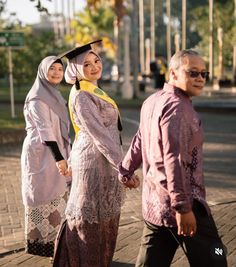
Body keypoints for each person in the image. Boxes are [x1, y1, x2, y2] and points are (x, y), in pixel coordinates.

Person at [118, 50, 228, 267]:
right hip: (186, 204)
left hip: (155, 204)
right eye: (193, 72)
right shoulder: (178, 107)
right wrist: (182, 207)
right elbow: (175, 159)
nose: (200, 78)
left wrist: (125, 170)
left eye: (204, 74)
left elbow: (140, 140)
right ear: (173, 73)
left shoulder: (153, 100)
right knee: (216, 256)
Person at [53, 40, 138, 267]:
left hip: (102, 160)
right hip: (94, 162)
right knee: (89, 221)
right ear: (76, 69)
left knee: (103, 219)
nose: (94, 67)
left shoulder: (92, 89)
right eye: (86, 64)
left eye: (96, 61)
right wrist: (124, 168)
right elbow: (99, 135)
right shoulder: (81, 95)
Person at [21, 56, 71, 258]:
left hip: (57, 150)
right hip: (42, 153)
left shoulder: (55, 95)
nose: (57, 72)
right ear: (43, 71)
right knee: (43, 195)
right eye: (52, 69)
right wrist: (59, 158)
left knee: (60, 199)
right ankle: (46, 247)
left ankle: (59, 248)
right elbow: (45, 130)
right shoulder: (37, 97)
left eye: (60, 69)